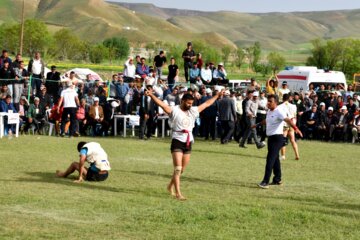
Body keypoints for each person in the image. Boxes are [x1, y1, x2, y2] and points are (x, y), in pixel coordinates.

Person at [145, 88, 223, 200]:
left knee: (182, 170)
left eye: (191, 103)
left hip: (188, 141)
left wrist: (217, 96)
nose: (190, 105)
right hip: (177, 140)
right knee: (177, 168)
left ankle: (170, 186)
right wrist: (151, 95)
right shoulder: (174, 110)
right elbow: (162, 104)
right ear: (182, 101)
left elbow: (206, 104)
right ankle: (178, 193)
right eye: (188, 103)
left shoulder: (193, 110)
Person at [258, 95, 303, 189]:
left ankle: (265, 182)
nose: (268, 103)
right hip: (271, 138)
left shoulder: (279, 111)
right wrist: (257, 124)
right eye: (268, 101)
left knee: (270, 159)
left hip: (277, 139)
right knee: (275, 159)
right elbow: (266, 121)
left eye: (270, 101)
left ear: (276, 102)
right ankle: (277, 179)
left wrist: (296, 128)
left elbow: (288, 120)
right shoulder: (270, 111)